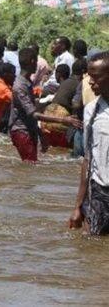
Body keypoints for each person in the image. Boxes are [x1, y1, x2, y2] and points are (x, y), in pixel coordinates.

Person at [8, 48, 82, 162]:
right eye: (36, 61)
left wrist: (40, 134)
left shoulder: (26, 83)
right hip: (21, 131)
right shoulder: (19, 87)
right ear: (32, 61)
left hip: (28, 130)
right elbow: (34, 114)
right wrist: (64, 120)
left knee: (30, 167)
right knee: (29, 167)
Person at [68, 51, 109, 235]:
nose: (90, 82)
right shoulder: (91, 111)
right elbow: (87, 159)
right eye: (88, 76)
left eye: (95, 77)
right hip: (99, 192)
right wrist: (78, 206)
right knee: (93, 243)